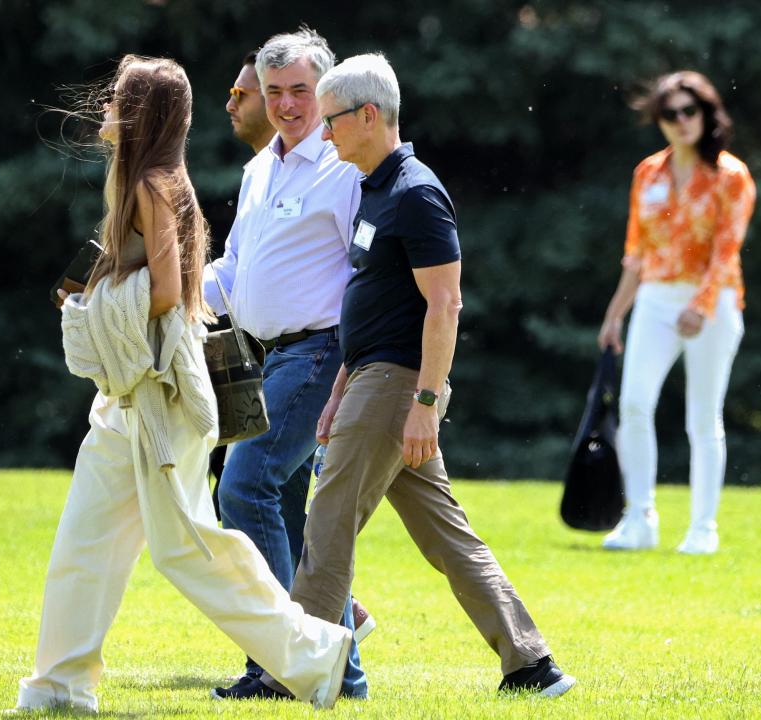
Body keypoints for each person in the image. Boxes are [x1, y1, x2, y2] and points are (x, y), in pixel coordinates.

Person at [12, 55, 352, 714]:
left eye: (116, 98)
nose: (105, 107)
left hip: (162, 394)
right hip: (128, 397)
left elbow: (169, 293)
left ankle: (320, 651)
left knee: (187, 550)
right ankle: (58, 686)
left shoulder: (153, 183)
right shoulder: (137, 179)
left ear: (139, 112)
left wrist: (93, 306)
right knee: (85, 541)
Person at [256, 53, 577, 699]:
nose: (324, 132)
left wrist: (426, 401)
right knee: (445, 534)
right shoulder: (375, 187)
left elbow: (445, 304)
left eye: (334, 119)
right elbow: (374, 303)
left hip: (399, 384)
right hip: (373, 379)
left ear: (368, 116)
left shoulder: (416, 192)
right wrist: (341, 387)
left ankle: (292, 675)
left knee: (328, 522)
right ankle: (531, 665)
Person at [203, 29, 368, 700]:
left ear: (324, 92)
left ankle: (281, 663)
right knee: (294, 519)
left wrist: (356, 370)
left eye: (300, 91)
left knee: (243, 488)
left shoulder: (343, 167)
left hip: (321, 352)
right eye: (273, 93)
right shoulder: (259, 168)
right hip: (262, 356)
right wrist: (166, 295)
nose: (287, 105)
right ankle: (340, 673)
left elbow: (367, 273)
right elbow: (236, 271)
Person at [598, 71, 756, 555]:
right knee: (634, 404)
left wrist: (701, 304)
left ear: (708, 115)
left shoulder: (731, 176)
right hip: (655, 298)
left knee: (702, 418)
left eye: (691, 111)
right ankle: (640, 518)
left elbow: (726, 251)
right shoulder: (648, 173)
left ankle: (703, 528)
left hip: (714, 301)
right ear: (659, 120)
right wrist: (615, 313)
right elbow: (636, 252)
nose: (682, 121)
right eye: (671, 114)